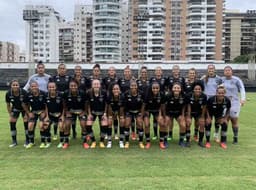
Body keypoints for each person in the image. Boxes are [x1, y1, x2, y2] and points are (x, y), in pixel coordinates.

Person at [221, 66, 246, 144]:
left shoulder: (237, 80)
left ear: (232, 72)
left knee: (234, 119)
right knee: (225, 120)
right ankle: (223, 139)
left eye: (229, 70)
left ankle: (235, 138)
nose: (227, 72)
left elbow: (242, 89)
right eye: (226, 70)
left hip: (234, 103)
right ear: (224, 72)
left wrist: (243, 99)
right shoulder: (221, 80)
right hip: (224, 103)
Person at [22, 81, 47, 149]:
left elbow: (47, 105)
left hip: (42, 111)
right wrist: (29, 112)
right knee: (30, 125)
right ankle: (31, 142)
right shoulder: (28, 94)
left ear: (38, 86)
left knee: (41, 125)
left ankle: (43, 142)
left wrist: (44, 112)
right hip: (34, 112)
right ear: (30, 87)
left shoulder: (43, 93)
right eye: (32, 86)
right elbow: (23, 104)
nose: (34, 87)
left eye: (35, 86)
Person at [62, 80, 87, 149]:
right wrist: (66, 112)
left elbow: (86, 103)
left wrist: (84, 111)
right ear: (69, 86)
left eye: (74, 86)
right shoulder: (66, 93)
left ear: (77, 86)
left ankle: (85, 142)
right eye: (71, 86)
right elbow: (64, 103)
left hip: (80, 111)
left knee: (83, 124)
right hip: (71, 111)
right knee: (67, 124)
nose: (73, 87)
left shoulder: (82, 93)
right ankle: (66, 142)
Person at [201, 64, 222, 142]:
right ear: (207, 70)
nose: (211, 70)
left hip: (217, 102)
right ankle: (207, 136)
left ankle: (216, 135)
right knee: (208, 120)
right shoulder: (203, 78)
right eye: (209, 69)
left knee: (217, 120)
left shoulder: (219, 79)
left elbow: (221, 90)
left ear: (214, 70)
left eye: (212, 68)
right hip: (207, 103)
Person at [85, 79, 108, 148]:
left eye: (97, 84)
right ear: (92, 85)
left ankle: (101, 141)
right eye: (94, 84)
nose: (96, 85)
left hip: (102, 112)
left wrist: (105, 113)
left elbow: (106, 104)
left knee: (104, 125)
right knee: (88, 125)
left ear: (100, 85)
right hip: (93, 112)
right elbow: (88, 104)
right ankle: (93, 141)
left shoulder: (104, 92)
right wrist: (89, 114)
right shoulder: (88, 92)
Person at [162, 83, 187, 147]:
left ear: (180, 89)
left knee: (183, 125)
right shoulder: (168, 96)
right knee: (165, 123)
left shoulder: (184, 96)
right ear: (172, 89)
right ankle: (165, 140)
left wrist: (183, 115)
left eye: (178, 88)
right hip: (169, 113)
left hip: (178, 113)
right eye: (175, 88)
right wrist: (164, 116)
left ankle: (181, 141)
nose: (176, 89)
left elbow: (184, 106)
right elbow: (163, 106)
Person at [5, 80, 29, 147]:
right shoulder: (8, 93)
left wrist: (27, 113)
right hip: (15, 109)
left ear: (19, 86)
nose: (15, 86)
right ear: (11, 86)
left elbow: (28, 104)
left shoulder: (24, 92)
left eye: (16, 85)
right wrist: (10, 114)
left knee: (26, 120)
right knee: (12, 121)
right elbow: (8, 105)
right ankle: (14, 141)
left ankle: (27, 140)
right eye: (13, 85)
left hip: (24, 109)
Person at [122, 80, 145, 149]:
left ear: (137, 86)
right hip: (129, 111)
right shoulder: (126, 94)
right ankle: (127, 142)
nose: (133, 87)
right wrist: (124, 115)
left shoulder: (141, 93)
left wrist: (141, 113)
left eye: (135, 86)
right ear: (130, 86)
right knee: (127, 123)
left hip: (138, 111)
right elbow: (124, 106)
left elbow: (143, 105)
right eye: (132, 86)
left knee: (140, 123)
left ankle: (140, 142)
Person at [143, 82, 165, 149]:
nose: (155, 89)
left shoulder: (161, 95)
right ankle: (148, 142)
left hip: (156, 111)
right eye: (154, 88)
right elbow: (143, 106)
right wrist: (142, 115)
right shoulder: (147, 95)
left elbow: (162, 106)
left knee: (161, 123)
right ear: (151, 88)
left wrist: (163, 116)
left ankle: (161, 142)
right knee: (146, 125)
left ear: (159, 88)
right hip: (148, 110)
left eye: (157, 88)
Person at [186, 82, 207, 147]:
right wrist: (189, 117)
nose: (197, 90)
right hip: (190, 112)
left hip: (199, 112)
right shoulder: (189, 95)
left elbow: (204, 107)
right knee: (188, 123)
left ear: (201, 89)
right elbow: (188, 106)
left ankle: (200, 141)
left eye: (199, 89)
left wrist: (202, 117)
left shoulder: (204, 96)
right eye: (196, 89)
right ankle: (187, 141)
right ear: (193, 89)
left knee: (202, 124)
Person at [45, 82, 65, 148]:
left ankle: (62, 142)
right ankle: (48, 141)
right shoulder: (46, 95)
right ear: (48, 88)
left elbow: (64, 106)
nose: (51, 88)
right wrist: (47, 116)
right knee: (46, 125)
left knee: (61, 126)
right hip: (50, 115)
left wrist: (62, 115)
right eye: (50, 87)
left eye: (53, 87)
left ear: (55, 87)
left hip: (59, 114)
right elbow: (46, 107)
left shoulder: (60, 95)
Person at [149, 66, 166, 139]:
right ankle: (155, 134)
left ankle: (163, 135)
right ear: (155, 72)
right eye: (157, 70)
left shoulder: (164, 79)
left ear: (161, 72)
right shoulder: (152, 79)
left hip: (160, 101)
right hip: (152, 101)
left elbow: (167, 88)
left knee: (160, 119)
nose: (158, 72)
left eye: (160, 70)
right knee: (154, 120)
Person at [106, 83, 125, 148]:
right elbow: (109, 109)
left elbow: (122, 110)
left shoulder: (122, 97)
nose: (116, 90)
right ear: (112, 90)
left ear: (119, 90)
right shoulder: (109, 97)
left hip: (120, 111)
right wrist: (112, 116)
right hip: (111, 111)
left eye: (117, 89)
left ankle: (121, 141)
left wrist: (120, 116)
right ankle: (109, 141)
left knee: (122, 121)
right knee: (109, 121)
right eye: (114, 89)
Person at [103, 66, 119, 139]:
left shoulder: (118, 79)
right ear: (108, 72)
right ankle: (106, 133)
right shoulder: (105, 79)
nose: (112, 71)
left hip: (116, 100)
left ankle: (115, 133)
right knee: (108, 117)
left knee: (115, 117)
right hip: (108, 101)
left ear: (115, 71)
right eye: (110, 70)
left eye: (113, 70)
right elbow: (103, 89)